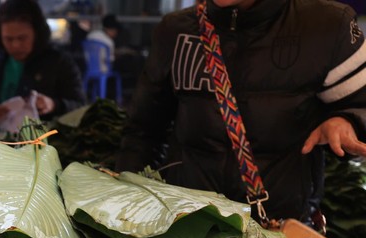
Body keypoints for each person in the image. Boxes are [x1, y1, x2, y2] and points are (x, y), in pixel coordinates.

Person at [116, 0, 366, 226]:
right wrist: (125, 209)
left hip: (282, 236)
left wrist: (347, 120)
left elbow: (360, 103)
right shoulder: (175, 29)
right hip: (187, 234)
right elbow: (142, 132)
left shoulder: (327, 26)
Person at [0, 0, 86, 136]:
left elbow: (80, 107)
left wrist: (53, 105)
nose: (16, 45)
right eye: (9, 39)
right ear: (0, 37)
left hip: (43, 145)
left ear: (36, 33)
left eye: (22, 38)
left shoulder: (59, 62)